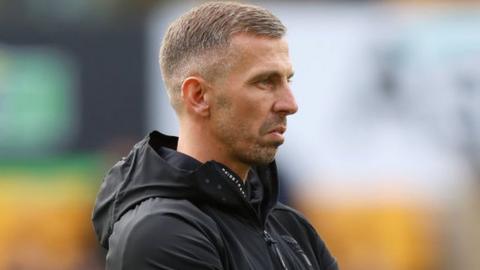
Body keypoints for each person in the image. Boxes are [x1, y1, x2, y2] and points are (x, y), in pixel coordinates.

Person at [92, 2, 338, 269]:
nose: (290, 104)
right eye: (265, 82)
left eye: (287, 80)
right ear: (198, 96)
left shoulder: (292, 228)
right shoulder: (161, 233)